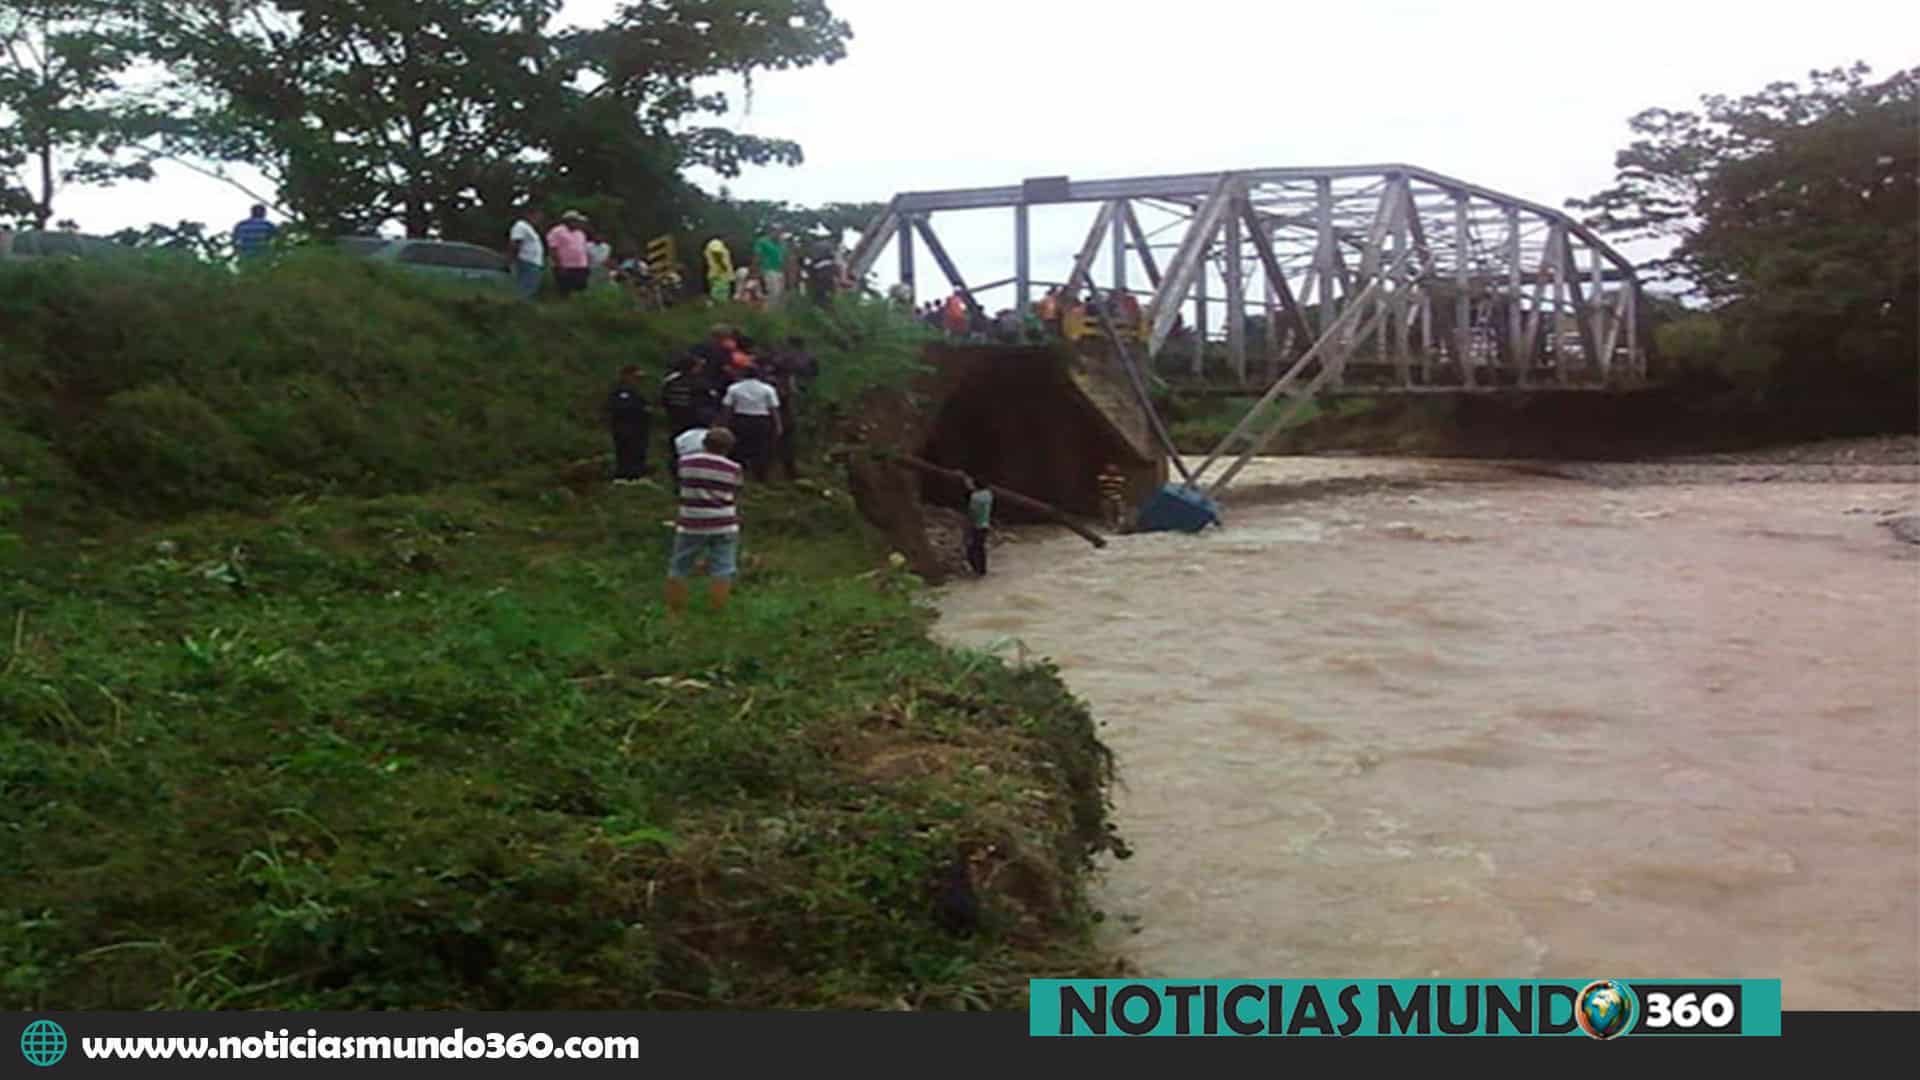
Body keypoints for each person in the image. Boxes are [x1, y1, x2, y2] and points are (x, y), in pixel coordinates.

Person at [666, 427, 743, 617]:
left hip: (692, 522)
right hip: (724, 522)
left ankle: (675, 612)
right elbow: (737, 488)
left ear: (704, 443)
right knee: (723, 569)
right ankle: (718, 611)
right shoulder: (733, 468)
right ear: (729, 448)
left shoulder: (685, 463)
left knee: (679, 567)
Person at [721, 364, 781, 484]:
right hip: (761, 420)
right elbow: (773, 409)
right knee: (761, 448)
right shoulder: (767, 389)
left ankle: (735, 475)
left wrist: (725, 423)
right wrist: (778, 425)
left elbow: (728, 408)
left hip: (740, 420)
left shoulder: (734, 388)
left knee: (738, 448)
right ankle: (760, 476)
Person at [767, 336, 816, 481]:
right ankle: (789, 469)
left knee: (777, 431)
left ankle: (771, 469)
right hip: (795, 399)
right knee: (789, 433)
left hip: (780, 398)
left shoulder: (780, 357)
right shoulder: (807, 358)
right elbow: (813, 375)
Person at [606, 365, 652, 484]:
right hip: (625, 428)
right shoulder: (620, 391)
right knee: (625, 451)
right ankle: (624, 476)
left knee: (638, 451)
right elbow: (621, 408)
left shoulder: (635, 391)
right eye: (635, 377)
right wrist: (641, 410)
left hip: (639, 429)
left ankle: (637, 475)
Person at [659, 354, 707, 439]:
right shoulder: (697, 382)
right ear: (692, 367)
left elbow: (663, 398)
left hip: (673, 416)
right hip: (692, 419)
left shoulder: (670, 381)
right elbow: (703, 400)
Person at [546, 211, 591, 296]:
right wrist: (559, 265)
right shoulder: (557, 231)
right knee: (565, 291)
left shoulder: (580, 233)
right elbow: (553, 249)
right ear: (569, 221)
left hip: (580, 267)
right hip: (565, 267)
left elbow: (583, 250)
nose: (578, 223)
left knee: (580, 292)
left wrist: (587, 264)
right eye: (576, 221)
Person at [506, 207, 545, 299]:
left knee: (531, 288)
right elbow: (515, 243)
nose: (539, 219)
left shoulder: (530, 228)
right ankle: (520, 305)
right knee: (525, 289)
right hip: (526, 261)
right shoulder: (521, 226)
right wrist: (511, 260)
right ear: (530, 214)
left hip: (534, 263)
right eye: (538, 216)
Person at [962, 473, 993, 577]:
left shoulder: (975, 497)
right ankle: (982, 570)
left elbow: (972, 513)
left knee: (970, 549)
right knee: (980, 549)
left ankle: (976, 570)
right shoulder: (988, 494)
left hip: (976, 526)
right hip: (985, 525)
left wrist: (967, 529)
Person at [754, 230, 787, 306]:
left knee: (779, 295)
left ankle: (773, 313)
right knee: (773, 292)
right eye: (776, 231)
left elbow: (784, 259)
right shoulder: (762, 242)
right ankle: (767, 312)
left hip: (780, 271)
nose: (779, 234)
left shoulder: (782, 244)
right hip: (767, 269)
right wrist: (755, 271)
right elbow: (757, 256)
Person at [1097, 463, 1129, 532]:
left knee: (1121, 506)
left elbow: (1123, 490)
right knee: (1106, 505)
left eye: (1114, 467)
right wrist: (1108, 495)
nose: (1112, 469)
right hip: (1106, 496)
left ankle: (1121, 524)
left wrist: (1118, 496)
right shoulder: (1102, 478)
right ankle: (1110, 524)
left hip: (1117, 496)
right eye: (1110, 467)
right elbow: (1100, 489)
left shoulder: (1120, 479)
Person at [704, 236, 734, 303]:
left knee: (721, 292)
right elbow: (716, 253)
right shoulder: (716, 242)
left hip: (719, 273)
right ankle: (714, 304)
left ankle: (717, 306)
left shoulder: (716, 244)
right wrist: (722, 265)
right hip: (719, 273)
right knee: (719, 293)